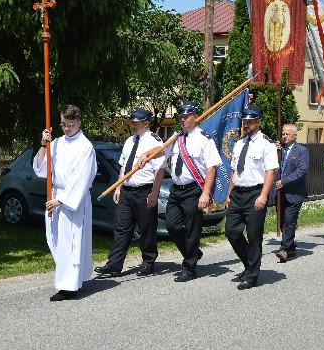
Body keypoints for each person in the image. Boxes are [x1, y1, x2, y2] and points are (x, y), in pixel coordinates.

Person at [140, 101, 222, 282]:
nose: (183, 120)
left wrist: (206, 194)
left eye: (186, 116)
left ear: (195, 117)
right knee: (172, 225)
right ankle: (193, 253)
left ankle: (189, 268)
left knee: (193, 230)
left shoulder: (204, 139)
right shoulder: (177, 137)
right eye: (181, 117)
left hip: (194, 190)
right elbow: (162, 151)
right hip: (176, 190)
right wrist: (147, 154)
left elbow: (211, 168)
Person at [34, 105, 97, 301]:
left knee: (71, 242)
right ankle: (68, 281)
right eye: (63, 124)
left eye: (70, 125)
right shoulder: (58, 143)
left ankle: (69, 287)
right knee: (57, 241)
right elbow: (42, 170)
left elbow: (82, 178)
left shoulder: (85, 147)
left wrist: (61, 200)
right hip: (56, 195)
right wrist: (44, 145)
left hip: (71, 201)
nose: (66, 128)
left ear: (79, 122)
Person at [95, 108, 166, 278]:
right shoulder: (129, 141)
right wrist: (118, 187)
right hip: (127, 191)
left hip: (145, 191)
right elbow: (123, 166)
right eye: (132, 122)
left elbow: (160, 170)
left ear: (146, 123)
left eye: (137, 122)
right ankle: (114, 265)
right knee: (121, 229)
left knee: (147, 228)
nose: (133, 125)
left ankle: (148, 262)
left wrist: (154, 193)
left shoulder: (154, 142)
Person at [225, 106, 279, 290]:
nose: (246, 125)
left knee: (254, 236)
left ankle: (252, 275)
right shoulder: (240, 143)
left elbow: (270, 171)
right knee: (231, 231)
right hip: (238, 193)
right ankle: (249, 265)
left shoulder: (266, 144)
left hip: (255, 193)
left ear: (258, 122)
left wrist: (264, 195)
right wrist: (229, 194)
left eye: (249, 122)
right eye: (244, 122)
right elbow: (234, 170)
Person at [274, 123, 309, 263]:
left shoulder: (302, 151)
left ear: (295, 135)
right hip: (280, 192)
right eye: (283, 134)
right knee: (282, 221)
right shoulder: (279, 149)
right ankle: (292, 246)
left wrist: (285, 181)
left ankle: (284, 250)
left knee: (289, 221)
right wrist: (274, 150)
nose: (284, 136)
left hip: (294, 192)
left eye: (287, 134)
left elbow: (302, 170)